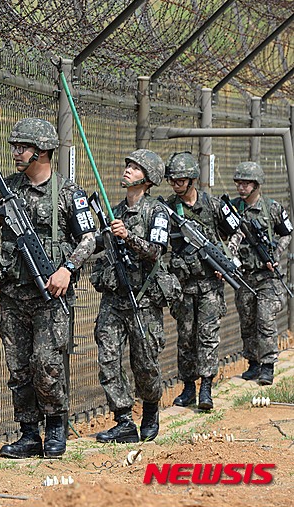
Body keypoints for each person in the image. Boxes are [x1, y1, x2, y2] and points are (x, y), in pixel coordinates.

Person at [0, 118, 96, 459]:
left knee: (46, 364)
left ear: (41, 151)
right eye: (15, 146)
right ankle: (28, 434)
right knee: (18, 367)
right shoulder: (8, 188)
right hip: (14, 294)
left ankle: (55, 427)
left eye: (21, 147)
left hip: (51, 295)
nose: (16, 152)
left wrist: (67, 269)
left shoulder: (68, 193)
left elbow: (89, 238)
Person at [90, 149, 177, 444]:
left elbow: (156, 251)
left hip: (143, 300)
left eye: (135, 167)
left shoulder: (157, 211)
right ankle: (124, 420)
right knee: (108, 358)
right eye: (127, 164)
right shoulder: (114, 212)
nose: (127, 170)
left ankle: (150, 409)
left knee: (145, 363)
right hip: (115, 300)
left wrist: (129, 237)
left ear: (149, 178)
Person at [164, 151, 230, 411]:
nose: (175, 185)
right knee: (186, 337)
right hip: (183, 285)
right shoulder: (168, 208)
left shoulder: (213, 206)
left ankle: (207, 388)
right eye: (172, 180)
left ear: (192, 180)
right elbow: (163, 245)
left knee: (208, 336)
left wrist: (224, 262)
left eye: (180, 180)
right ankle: (188, 386)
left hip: (210, 285)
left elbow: (235, 233)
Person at [229, 161, 292, 386]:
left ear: (256, 184)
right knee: (247, 320)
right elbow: (228, 234)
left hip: (267, 276)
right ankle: (253, 363)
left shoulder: (271, 208)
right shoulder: (233, 208)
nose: (241, 187)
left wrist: (275, 253)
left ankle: (268, 366)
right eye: (239, 182)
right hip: (244, 276)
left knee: (265, 319)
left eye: (246, 183)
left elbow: (286, 233)